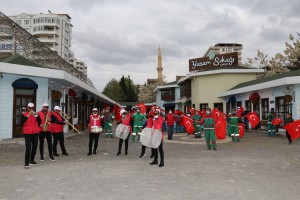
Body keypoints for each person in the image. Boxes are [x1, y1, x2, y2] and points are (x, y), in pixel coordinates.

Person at [21, 103, 41, 168]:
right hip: (27, 133)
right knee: (28, 148)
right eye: (30, 108)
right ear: (27, 108)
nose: (31, 109)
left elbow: (39, 121)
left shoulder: (36, 114)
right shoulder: (24, 114)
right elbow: (21, 122)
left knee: (35, 147)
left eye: (32, 108)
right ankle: (26, 162)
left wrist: (37, 116)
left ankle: (31, 160)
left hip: (35, 132)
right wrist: (28, 115)